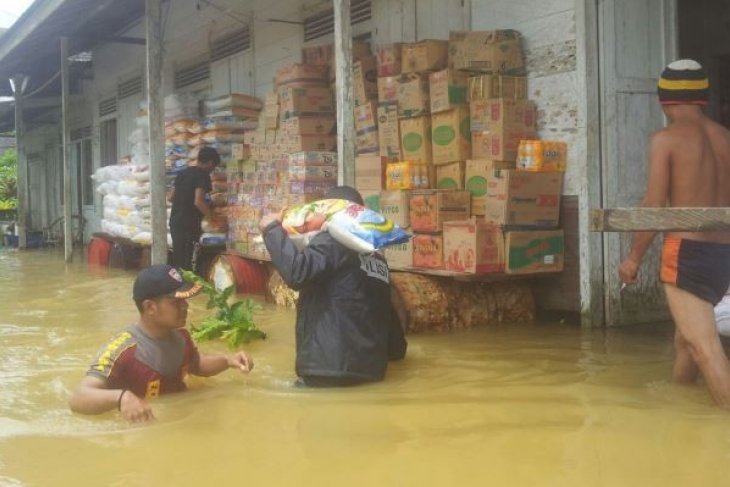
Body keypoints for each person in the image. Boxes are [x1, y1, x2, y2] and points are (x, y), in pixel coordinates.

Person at [618, 59, 730, 408]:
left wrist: (634, 257)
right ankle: (680, 407)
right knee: (686, 339)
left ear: (663, 101)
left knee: (704, 348)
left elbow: (654, 206)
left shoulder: (665, 139)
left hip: (688, 253)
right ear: (704, 100)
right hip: (725, 252)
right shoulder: (726, 137)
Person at [259, 185, 407, 387]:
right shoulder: (378, 259)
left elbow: (297, 273)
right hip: (370, 373)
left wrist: (271, 229)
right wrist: (396, 353)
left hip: (328, 370)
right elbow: (388, 317)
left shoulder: (332, 241)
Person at [69, 264, 253, 422]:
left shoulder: (181, 337)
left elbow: (196, 364)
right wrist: (122, 398)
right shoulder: (122, 350)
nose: (186, 306)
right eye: (176, 302)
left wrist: (228, 361)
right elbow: (78, 398)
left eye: (185, 300)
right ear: (150, 307)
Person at [169, 146, 220, 271]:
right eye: (213, 167)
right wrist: (213, 218)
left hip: (175, 222)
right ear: (210, 163)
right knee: (189, 263)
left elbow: (170, 197)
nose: (212, 170)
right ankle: (189, 287)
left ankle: (178, 285)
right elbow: (199, 202)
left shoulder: (182, 173)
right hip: (189, 225)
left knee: (178, 259)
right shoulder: (202, 176)